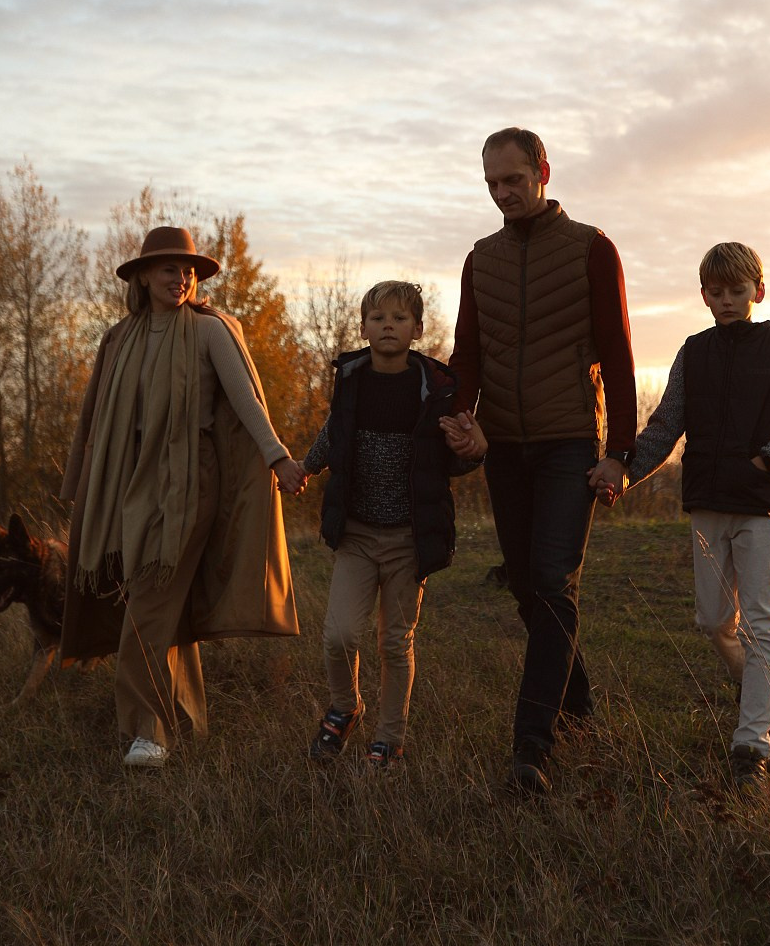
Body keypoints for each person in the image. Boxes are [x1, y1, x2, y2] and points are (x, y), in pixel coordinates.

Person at [60, 227, 304, 769]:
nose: (182, 278)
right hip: (128, 479)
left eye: (188, 269)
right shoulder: (119, 339)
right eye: (169, 268)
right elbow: (93, 422)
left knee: (150, 598)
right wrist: (84, 488)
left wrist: (277, 456)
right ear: (144, 276)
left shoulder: (210, 331)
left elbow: (246, 398)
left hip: (189, 477)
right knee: (160, 603)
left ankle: (148, 732)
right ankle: (189, 717)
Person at [447, 128, 637, 796]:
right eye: (492, 184)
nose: (503, 195)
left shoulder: (590, 248)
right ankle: (578, 699)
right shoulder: (480, 259)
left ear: (543, 173)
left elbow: (616, 354)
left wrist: (618, 453)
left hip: (567, 444)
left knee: (554, 582)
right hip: (503, 447)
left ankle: (531, 744)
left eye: (514, 182)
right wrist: (462, 415)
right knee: (527, 586)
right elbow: (465, 351)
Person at [603, 241, 770, 790]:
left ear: (759, 290)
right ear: (704, 295)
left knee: (761, 621)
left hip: (762, 507)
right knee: (711, 620)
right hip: (706, 503)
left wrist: (765, 461)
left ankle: (752, 741)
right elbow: (664, 426)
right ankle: (755, 688)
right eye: (716, 291)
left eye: (737, 290)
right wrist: (625, 473)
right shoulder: (693, 351)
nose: (726, 300)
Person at [301, 280, 486, 770]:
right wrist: (304, 467)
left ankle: (389, 740)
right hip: (358, 535)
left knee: (393, 641)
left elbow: (455, 460)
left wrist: (477, 448)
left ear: (418, 329)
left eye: (400, 318)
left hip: (408, 538)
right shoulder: (352, 377)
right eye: (378, 317)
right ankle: (345, 708)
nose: (388, 325)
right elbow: (333, 433)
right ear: (363, 327)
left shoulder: (436, 389)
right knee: (339, 635)